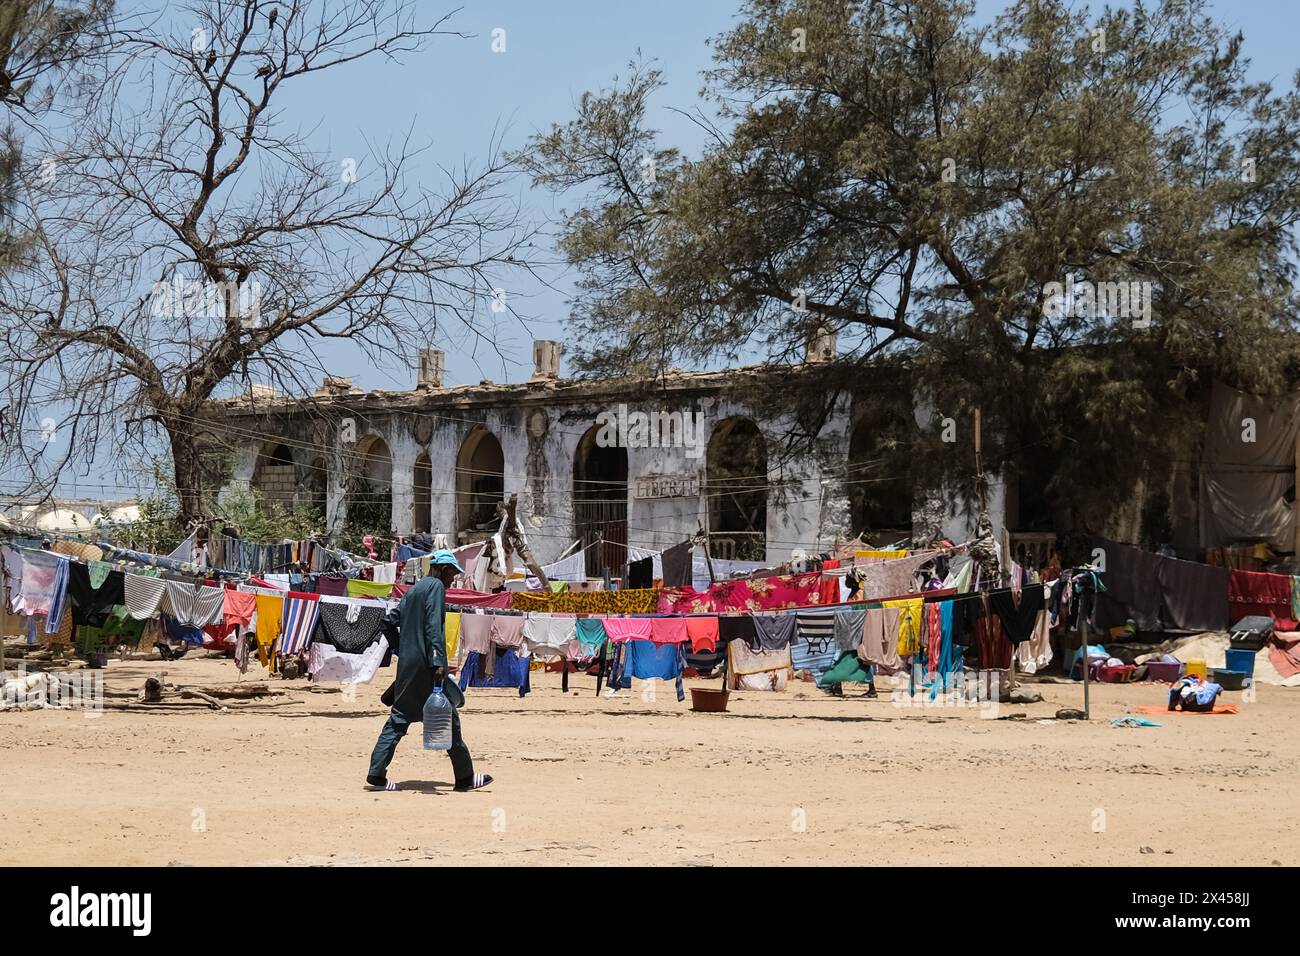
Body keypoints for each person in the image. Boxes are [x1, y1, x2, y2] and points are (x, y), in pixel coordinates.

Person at [365, 550, 492, 792]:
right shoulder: (435, 586)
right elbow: (433, 624)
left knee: (399, 719)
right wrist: (436, 661)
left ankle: (376, 774)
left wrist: (402, 648)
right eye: (452, 574)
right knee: (448, 718)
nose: (452, 580)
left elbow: (388, 621)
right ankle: (465, 778)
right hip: (428, 667)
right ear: (443, 569)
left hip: (408, 666)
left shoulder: (413, 590)